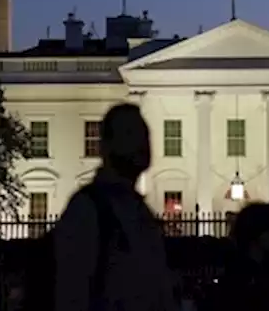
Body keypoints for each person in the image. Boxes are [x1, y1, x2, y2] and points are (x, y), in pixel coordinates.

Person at [52, 103, 177, 311]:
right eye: (129, 134)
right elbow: (72, 294)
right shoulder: (87, 209)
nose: (141, 144)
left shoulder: (141, 212)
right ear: (107, 146)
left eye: (144, 134)